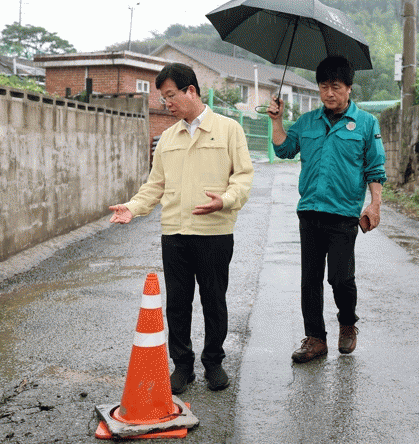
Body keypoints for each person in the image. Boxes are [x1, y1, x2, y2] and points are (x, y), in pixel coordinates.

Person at [108, 63, 254, 393]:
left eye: (171, 95)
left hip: (214, 232)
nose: (167, 103)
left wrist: (225, 200)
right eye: (163, 97)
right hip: (174, 232)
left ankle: (213, 362)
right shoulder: (168, 138)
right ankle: (182, 366)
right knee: (177, 303)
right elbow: (155, 185)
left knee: (214, 300)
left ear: (191, 91)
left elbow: (243, 177)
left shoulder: (228, 129)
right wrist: (133, 207)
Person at [266, 55, 386, 363]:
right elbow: (284, 149)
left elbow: (375, 168)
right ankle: (316, 339)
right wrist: (277, 120)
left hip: (344, 213)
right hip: (310, 210)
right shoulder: (308, 122)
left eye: (335, 87)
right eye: (323, 87)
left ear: (349, 88)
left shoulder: (366, 123)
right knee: (310, 279)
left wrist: (375, 204)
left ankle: (347, 322)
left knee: (340, 278)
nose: (328, 93)